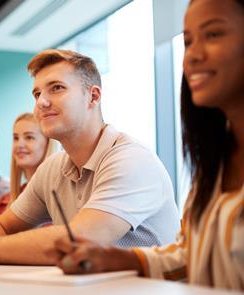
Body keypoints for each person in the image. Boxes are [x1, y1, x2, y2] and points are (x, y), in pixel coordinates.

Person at [0, 49, 180, 265]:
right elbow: (3, 224)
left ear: (93, 96)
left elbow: (76, 240)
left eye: (57, 88)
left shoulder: (130, 160)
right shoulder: (53, 167)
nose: (41, 102)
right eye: (37, 93)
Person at [49, 0, 244, 290]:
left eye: (213, 34)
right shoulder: (215, 163)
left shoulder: (129, 158)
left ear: (94, 97)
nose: (192, 55)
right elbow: (191, 253)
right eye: (188, 41)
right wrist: (116, 258)